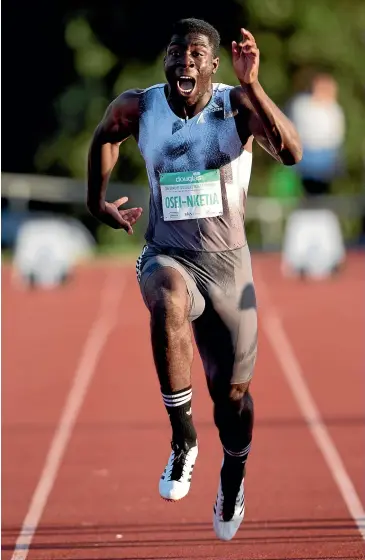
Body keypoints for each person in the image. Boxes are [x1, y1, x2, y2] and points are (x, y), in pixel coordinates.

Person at [87, 18, 302, 541]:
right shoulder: (141, 108)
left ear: (212, 65)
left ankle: (233, 475)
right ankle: (183, 440)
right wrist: (96, 202)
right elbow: (105, 134)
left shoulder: (236, 105)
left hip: (230, 266)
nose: (185, 60)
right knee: (166, 299)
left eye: (196, 53)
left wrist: (253, 84)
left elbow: (292, 153)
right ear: (166, 61)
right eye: (176, 52)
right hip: (168, 253)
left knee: (232, 399)